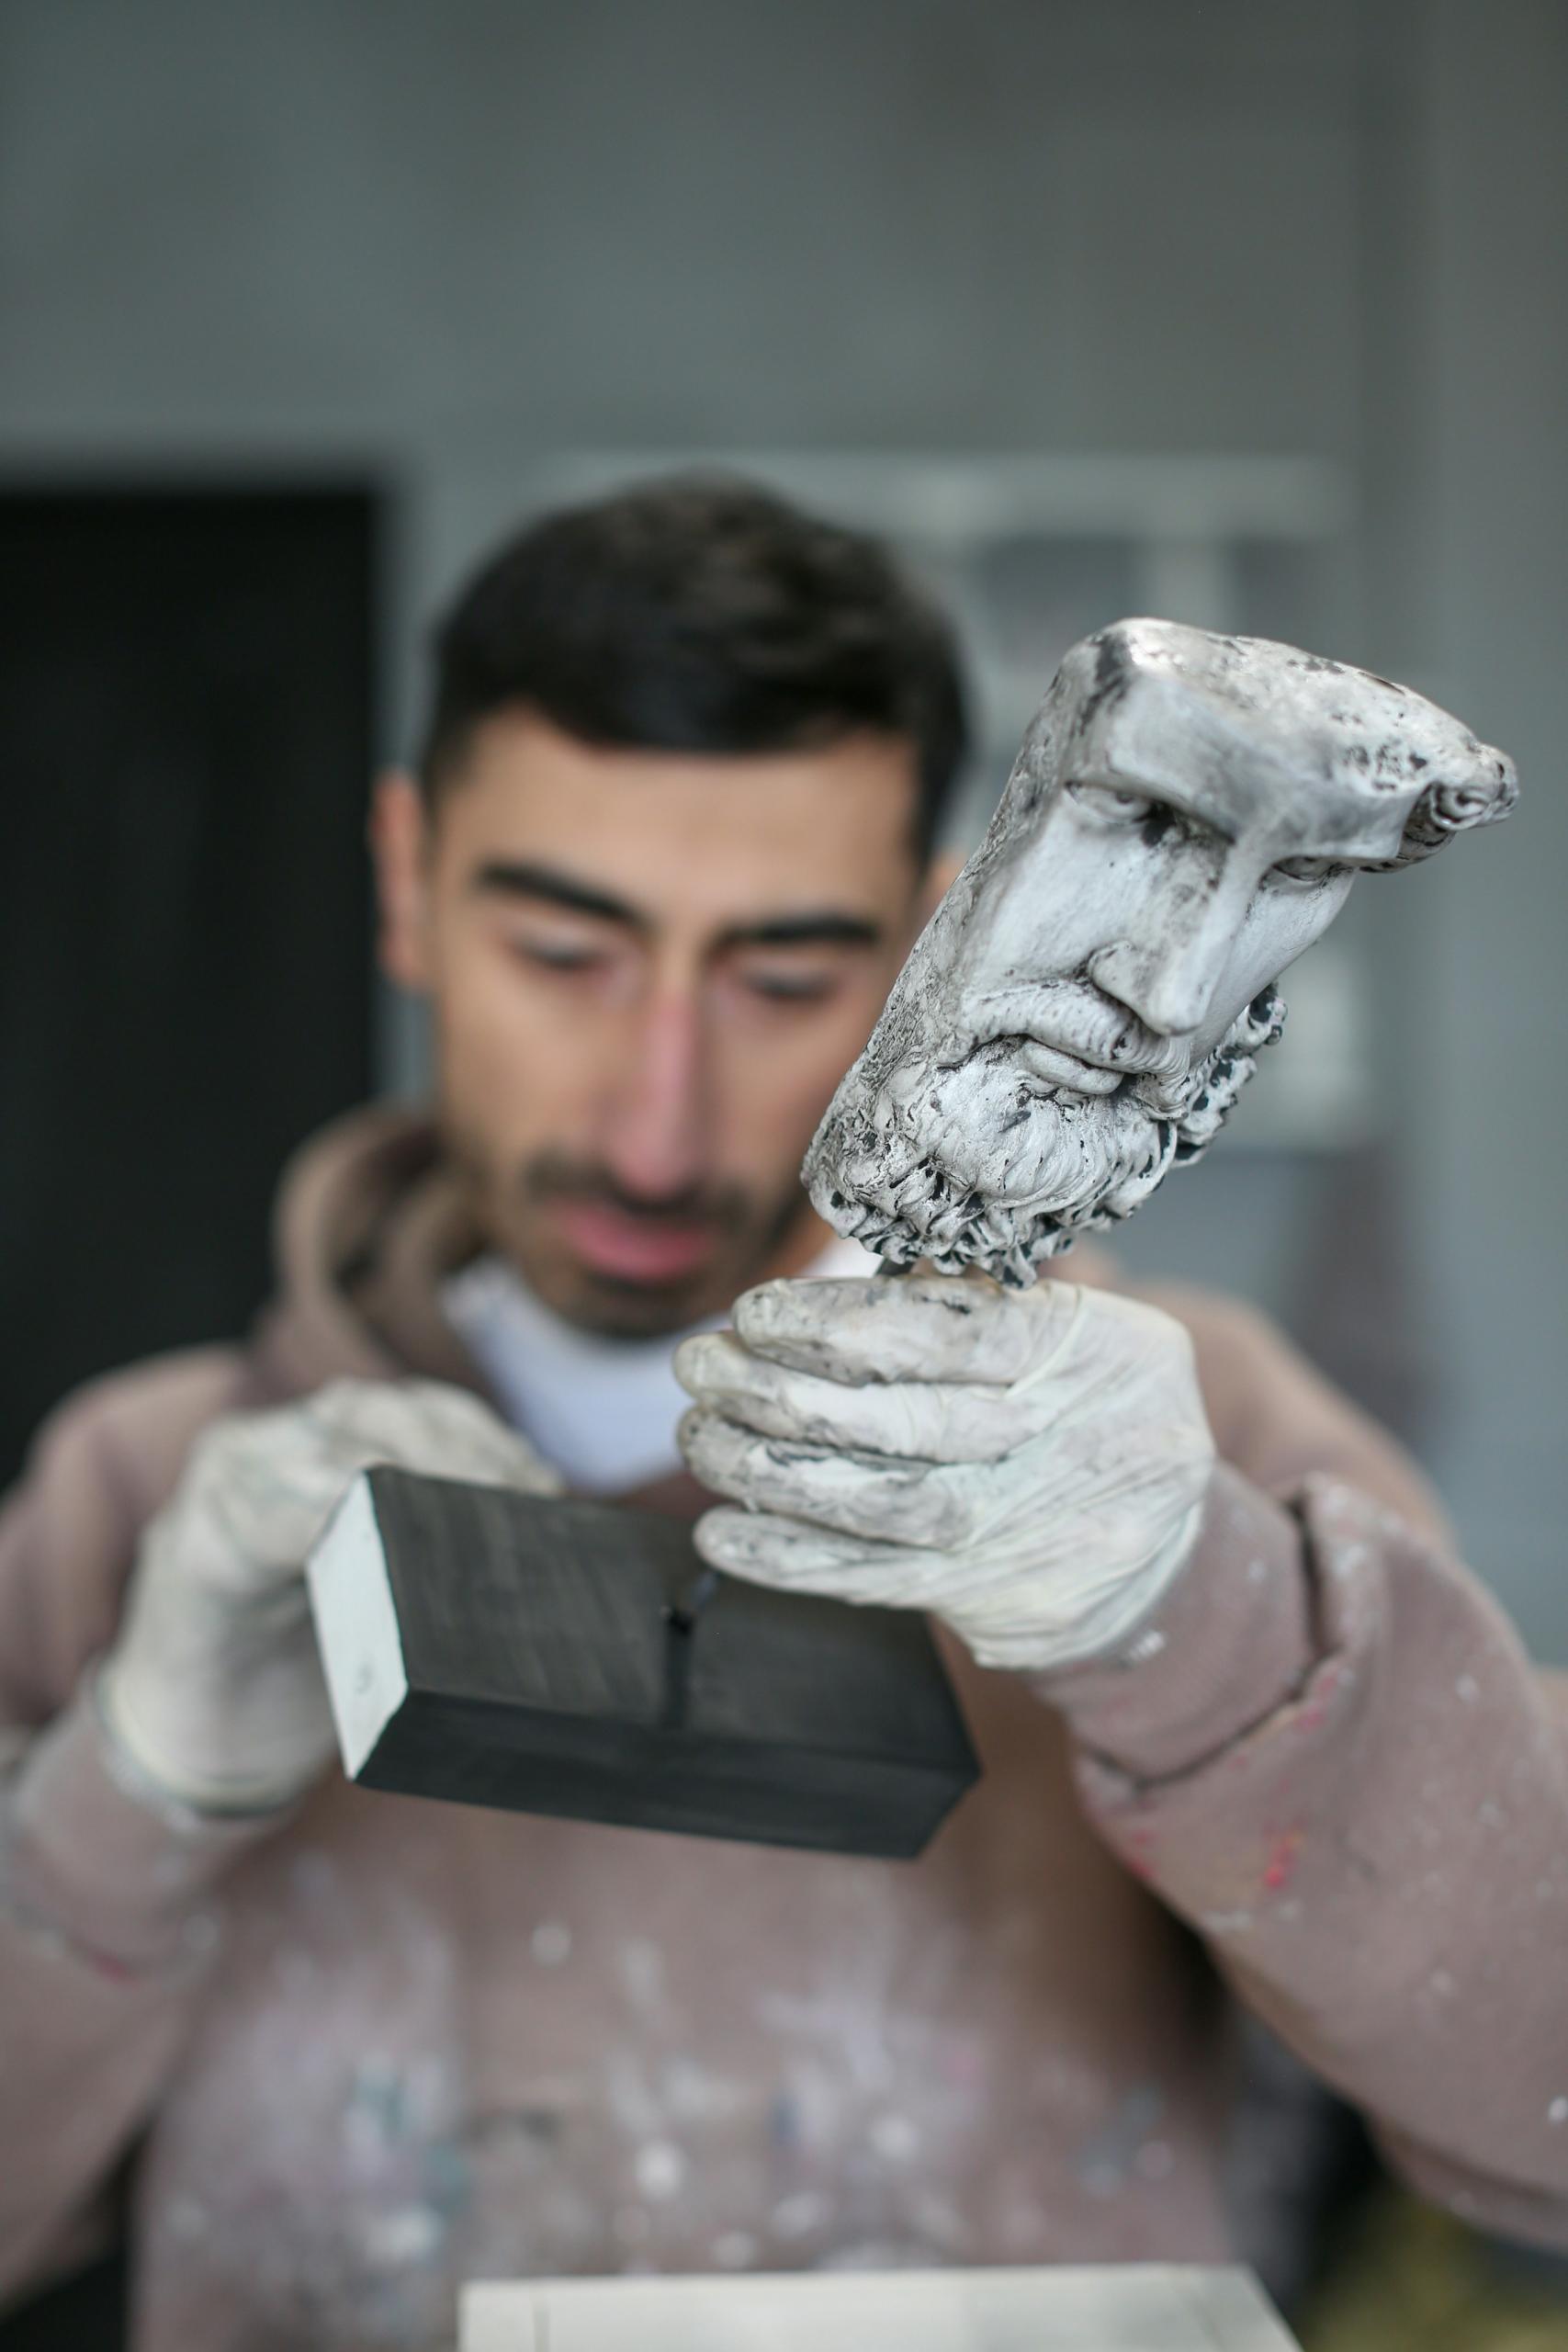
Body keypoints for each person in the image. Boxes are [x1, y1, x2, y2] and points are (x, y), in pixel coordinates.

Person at [0, 480, 1562, 2351]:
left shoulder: (1190, 1435)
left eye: (785, 971)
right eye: (564, 952)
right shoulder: (145, 1493)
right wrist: (124, 1800)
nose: (655, 1121)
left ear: (934, 929)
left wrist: (1205, 1622)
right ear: (408, 878)